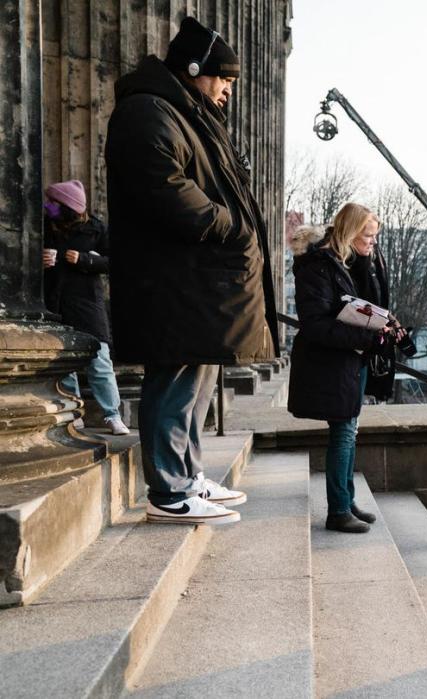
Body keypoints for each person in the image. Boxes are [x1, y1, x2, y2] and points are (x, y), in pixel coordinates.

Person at [106, 17, 277, 525]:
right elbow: (164, 185)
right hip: (174, 281)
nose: (227, 90)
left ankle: (187, 473)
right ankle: (169, 489)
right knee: (175, 378)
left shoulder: (184, 112)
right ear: (195, 70)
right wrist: (228, 225)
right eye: (223, 78)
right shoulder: (148, 112)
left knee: (198, 375)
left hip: (196, 280)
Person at [288, 203, 399, 533]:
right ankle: (337, 509)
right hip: (331, 362)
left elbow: (365, 304)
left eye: (375, 237)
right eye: (368, 236)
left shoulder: (349, 263)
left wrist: (384, 325)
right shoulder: (317, 266)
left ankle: (346, 501)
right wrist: (369, 337)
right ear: (350, 233)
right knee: (343, 433)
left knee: (350, 432)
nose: (372, 243)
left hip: (351, 360)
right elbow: (316, 324)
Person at [41, 179, 128, 435]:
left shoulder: (96, 229)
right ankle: (74, 413)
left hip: (87, 304)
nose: (49, 206)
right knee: (64, 363)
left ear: (68, 205)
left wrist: (86, 260)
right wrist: (41, 259)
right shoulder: (44, 226)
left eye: (54, 202)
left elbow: (117, 262)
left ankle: (112, 415)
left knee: (99, 361)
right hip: (54, 303)